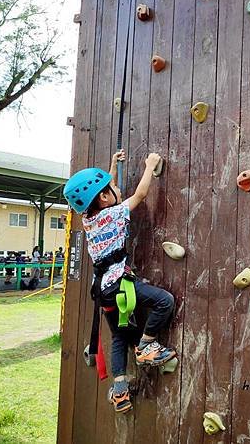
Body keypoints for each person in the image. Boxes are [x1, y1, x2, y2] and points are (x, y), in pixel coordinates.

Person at [63, 149, 176, 413]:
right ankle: (147, 345)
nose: (117, 187)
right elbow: (140, 195)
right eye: (112, 186)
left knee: (119, 336)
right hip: (118, 285)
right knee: (164, 301)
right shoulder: (112, 214)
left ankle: (120, 389)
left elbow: (100, 194)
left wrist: (112, 165)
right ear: (103, 197)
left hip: (104, 290)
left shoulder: (88, 218)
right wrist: (149, 166)